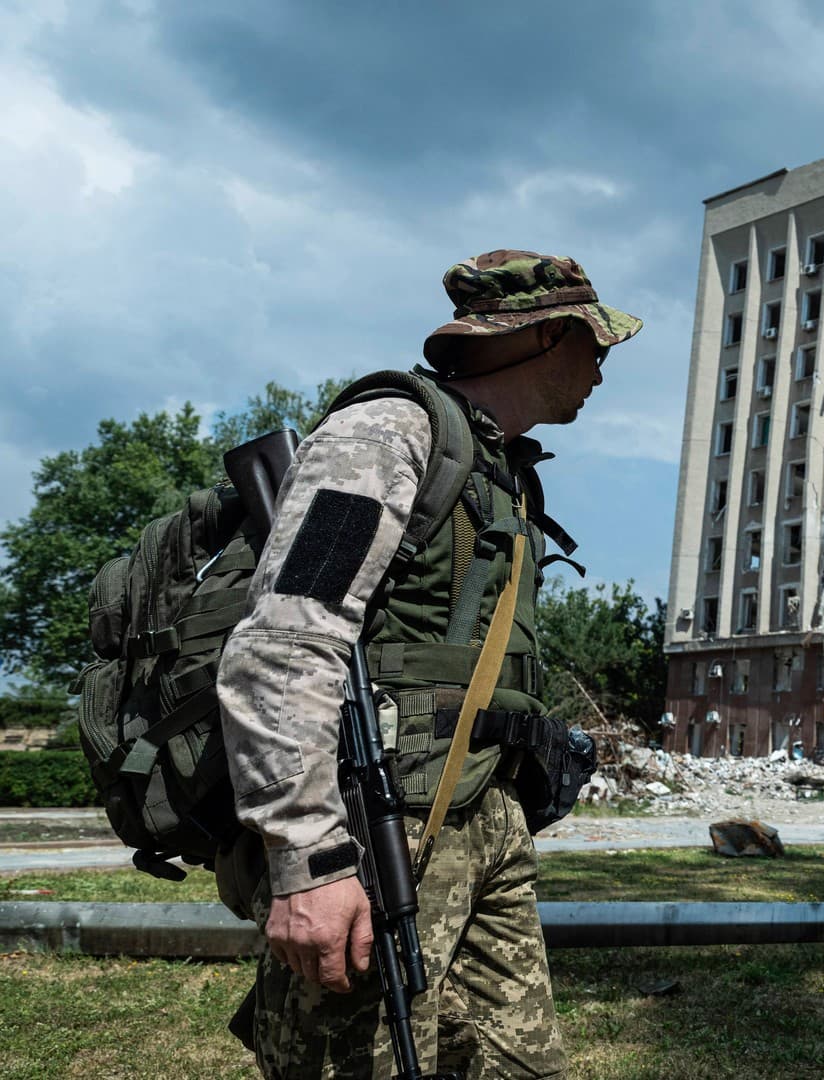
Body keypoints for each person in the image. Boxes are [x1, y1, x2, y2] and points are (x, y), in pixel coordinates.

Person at [215, 250, 641, 1078]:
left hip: (484, 814)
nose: (602, 368)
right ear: (548, 335)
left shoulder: (502, 470)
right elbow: (286, 639)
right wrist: (308, 856)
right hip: (386, 824)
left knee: (520, 1066)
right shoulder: (388, 433)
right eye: (597, 344)